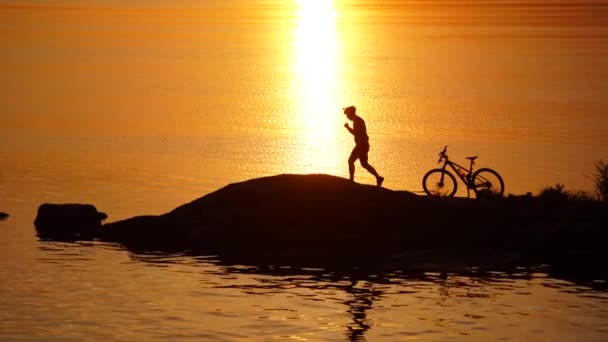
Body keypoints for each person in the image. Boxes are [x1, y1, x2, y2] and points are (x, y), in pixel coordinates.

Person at [343, 106, 384, 187]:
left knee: (350, 161)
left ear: (351, 114)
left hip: (361, 146)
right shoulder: (357, 121)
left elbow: (356, 133)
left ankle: (351, 179)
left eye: (347, 115)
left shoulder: (358, 121)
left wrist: (348, 128)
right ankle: (378, 177)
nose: (347, 117)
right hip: (363, 145)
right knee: (364, 164)